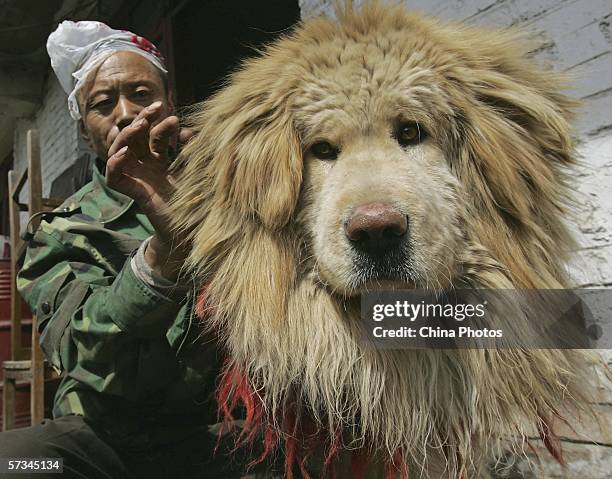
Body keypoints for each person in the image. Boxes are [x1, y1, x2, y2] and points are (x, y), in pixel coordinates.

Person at [0, 21, 273, 479]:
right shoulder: (60, 231)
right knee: (16, 463)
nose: (127, 113)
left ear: (170, 106)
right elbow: (84, 353)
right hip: (102, 443)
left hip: (216, 435)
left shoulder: (238, 201)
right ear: (85, 134)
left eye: (142, 93)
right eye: (103, 104)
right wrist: (163, 256)